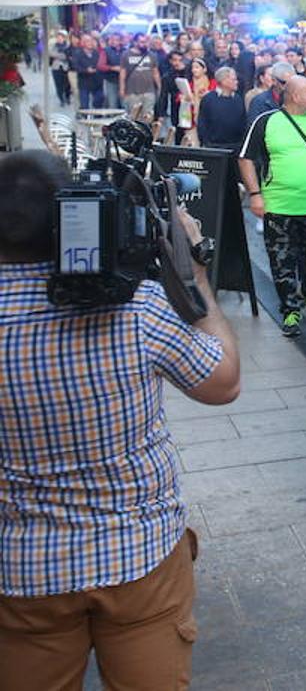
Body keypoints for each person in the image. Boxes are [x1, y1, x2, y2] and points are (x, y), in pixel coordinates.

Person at [0, 151, 240, 690]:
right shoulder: (137, 308)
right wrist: (194, 270)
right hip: (140, 557)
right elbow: (223, 382)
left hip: (22, 567)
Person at [238, 76, 306, 338]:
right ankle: (290, 310)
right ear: (294, 96)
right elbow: (245, 158)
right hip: (278, 206)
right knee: (282, 261)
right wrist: (255, 194)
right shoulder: (266, 121)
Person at [196, 66, 248, 152]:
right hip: (213, 148)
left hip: (236, 147)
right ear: (224, 81)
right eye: (233, 79)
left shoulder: (238, 99)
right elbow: (202, 124)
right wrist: (206, 143)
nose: (237, 82)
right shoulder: (208, 99)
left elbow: (243, 122)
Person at [118, 32, 160, 119]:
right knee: (134, 117)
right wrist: (122, 88)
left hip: (149, 91)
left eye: (145, 42)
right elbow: (123, 73)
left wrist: (159, 87)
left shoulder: (151, 55)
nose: (144, 44)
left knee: (148, 117)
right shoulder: (126, 54)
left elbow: (155, 72)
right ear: (135, 42)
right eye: (141, 42)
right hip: (132, 92)